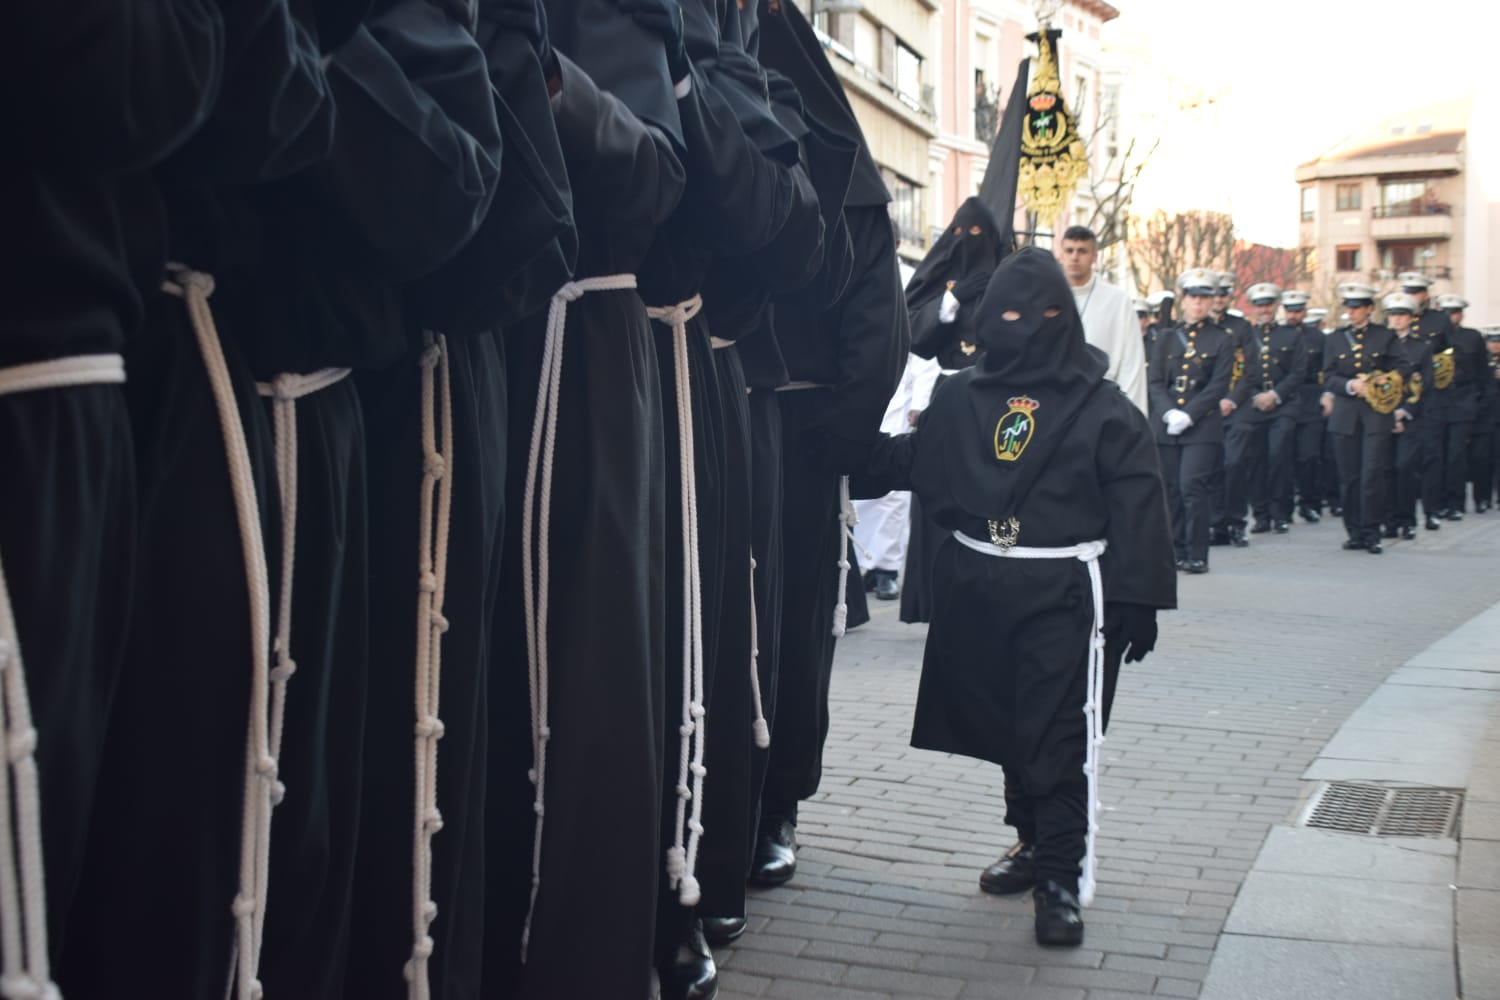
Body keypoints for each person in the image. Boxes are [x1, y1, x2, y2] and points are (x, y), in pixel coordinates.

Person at [860, 247, 1176, 947]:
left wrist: (1140, 597)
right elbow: (903, 464)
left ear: (1066, 318)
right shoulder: (958, 395)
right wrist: (841, 420)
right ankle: (1031, 844)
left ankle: (1062, 874)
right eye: (1008, 313)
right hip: (978, 588)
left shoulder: (1103, 406)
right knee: (1008, 726)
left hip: (1063, 593)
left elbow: (1139, 500)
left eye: (1043, 313)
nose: (1025, 326)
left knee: (1055, 733)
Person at [1148, 268, 1235, 574]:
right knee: (1170, 489)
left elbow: (1219, 384)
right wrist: (1169, 412)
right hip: (1167, 424)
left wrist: (1189, 414)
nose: (1198, 304)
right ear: (1183, 300)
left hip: (1202, 426)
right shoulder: (1167, 337)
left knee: (1192, 486)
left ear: (1212, 301)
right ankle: (1175, 550)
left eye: (1204, 298)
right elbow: (1156, 381)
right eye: (1193, 297)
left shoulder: (1223, 339)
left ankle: (1198, 553)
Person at [1322, 282, 1412, 554]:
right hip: (1346, 415)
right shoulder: (1335, 339)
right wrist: (1350, 386)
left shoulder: (1385, 336)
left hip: (1376, 414)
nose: (1352, 312)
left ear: (1369, 309)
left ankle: (1372, 531)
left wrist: (1383, 380)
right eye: (1349, 307)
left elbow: (1404, 367)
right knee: (1349, 477)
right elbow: (1328, 375)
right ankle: (1355, 532)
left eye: (1358, 307)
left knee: (1372, 473)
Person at [1224, 283, 1307, 535]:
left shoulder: (1291, 335)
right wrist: (1253, 395)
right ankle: (1260, 514)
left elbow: (1299, 371)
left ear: (1276, 305)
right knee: (1255, 460)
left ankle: (1280, 513)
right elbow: (1238, 372)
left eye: (1269, 304)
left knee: (1278, 455)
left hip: (1283, 403)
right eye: (1260, 305)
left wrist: (1275, 394)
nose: (1265, 309)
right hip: (1251, 403)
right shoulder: (1244, 334)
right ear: (1253, 307)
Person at [1054, 225, 1148, 412]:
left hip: (1100, 401)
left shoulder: (1118, 301)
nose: (1075, 257)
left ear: (1094, 257)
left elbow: (1131, 364)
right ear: (1061, 255)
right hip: (1056, 399)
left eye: (1082, 251)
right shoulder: (1048, 296)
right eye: (1069, 250)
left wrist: (1131, 416)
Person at [1381, 292, 1432, 541]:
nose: (1397, 319)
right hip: (1381, 415)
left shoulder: (1421, 347)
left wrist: (1404, 412)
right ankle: (1389, 521)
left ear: (1411, 318)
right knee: (1385, 469)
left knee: (1405, 468)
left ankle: (1407, 520)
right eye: (1392, 314)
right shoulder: (1379, 342)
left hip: (1410, 415)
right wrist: (1388, 413)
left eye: (1401, 315)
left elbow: (1425, 384)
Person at [1209, 271, 1254, 546]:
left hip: (1236, 406)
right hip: (1207, 409)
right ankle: (1217, 525)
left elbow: (1250, 370)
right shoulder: (1194, 330)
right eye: (1214, 294)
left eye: (1223, 294)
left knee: (1235, 464)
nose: (1218, 299)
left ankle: (1237, 522)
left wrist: (1232, 399)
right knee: (1212, 466)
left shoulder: (1241, 327)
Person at [1434, 293, 1488, 514]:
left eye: (1454, 312)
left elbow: (1482, 372)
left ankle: (1455, 502)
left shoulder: (1472, 337)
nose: (1450, 317)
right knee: (1438, 454)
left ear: (1461, 315)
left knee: (1456, 454)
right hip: (1438, 401)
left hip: (1463, 400)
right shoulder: (1433, 338)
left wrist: (1479, 401)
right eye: (1445, 313)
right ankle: (1438, 502)